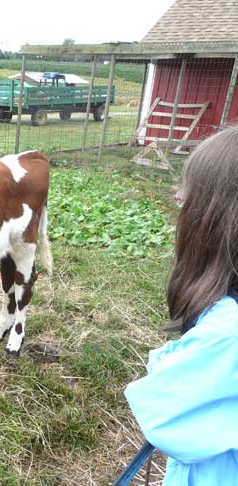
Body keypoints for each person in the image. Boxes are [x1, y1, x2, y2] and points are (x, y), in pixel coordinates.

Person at [124, 126, 238, 485]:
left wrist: (165, 357)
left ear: (211, 222)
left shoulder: (226, 335)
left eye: (185, 199)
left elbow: (161, 408)